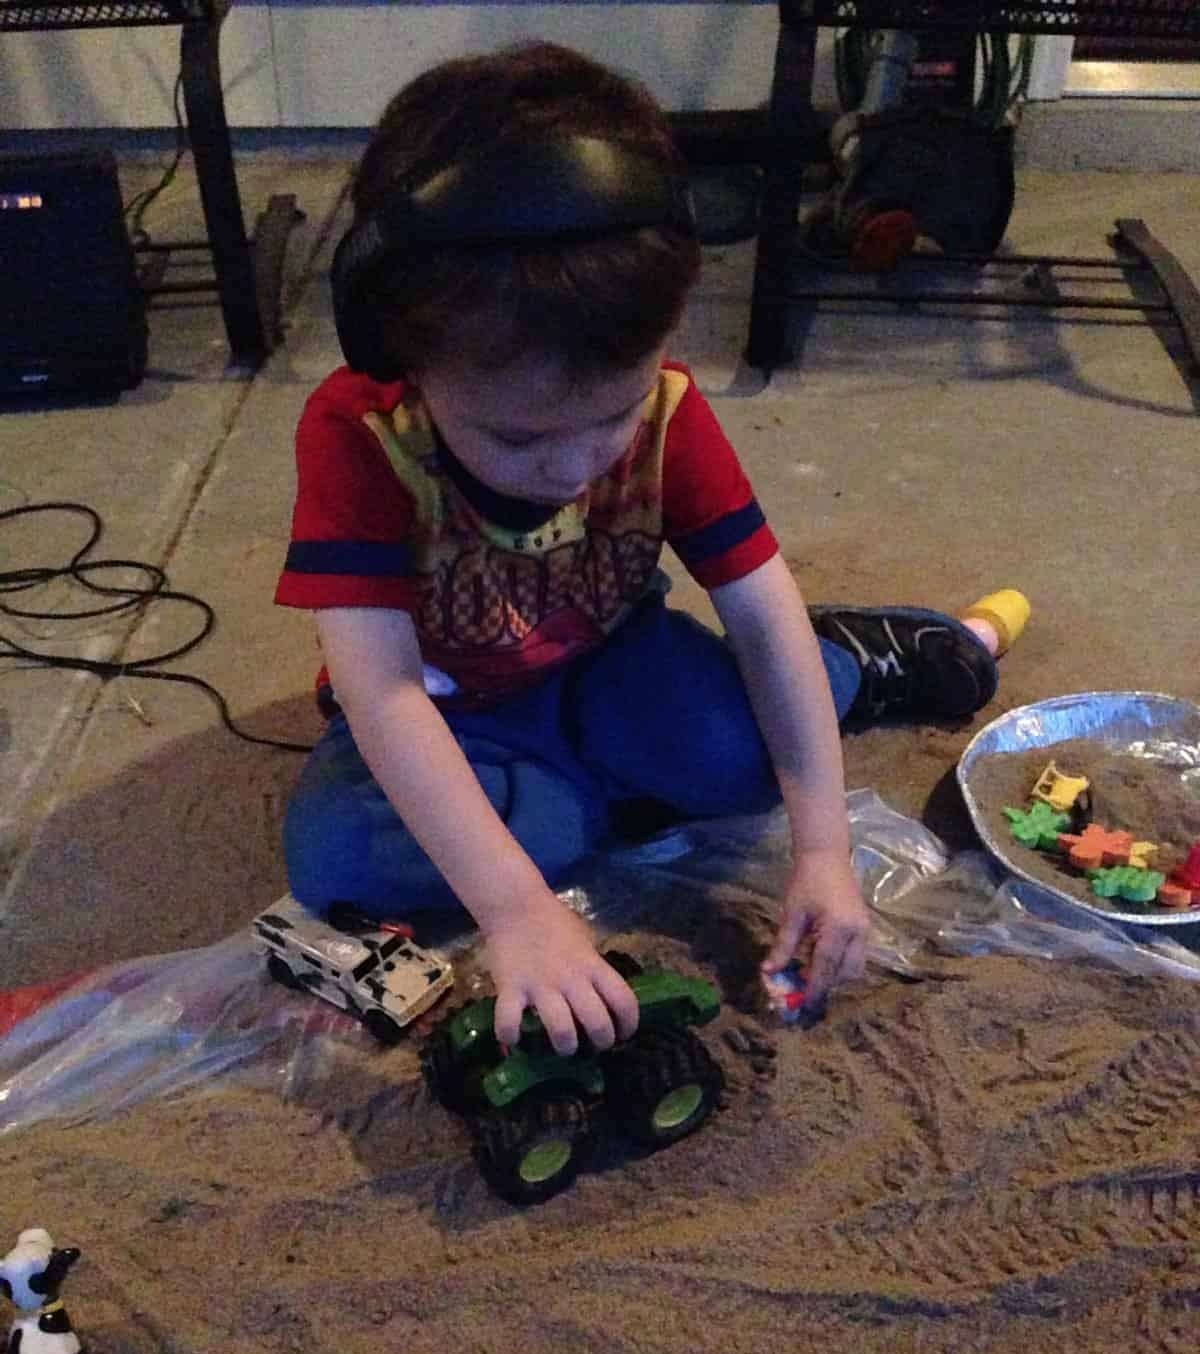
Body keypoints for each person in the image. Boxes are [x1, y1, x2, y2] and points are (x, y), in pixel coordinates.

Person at [275, 40, 1018, 1056]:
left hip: (617, 655)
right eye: (519, 437)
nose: (575, 465)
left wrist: (824, 847)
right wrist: (517, 910)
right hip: (455, 706)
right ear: (396, 350)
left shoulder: (668, 407)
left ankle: (859, 658)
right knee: (335, 858)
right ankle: (590, 796)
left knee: (760, 753)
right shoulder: (359, 432)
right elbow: (385, 694)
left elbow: (758, 605)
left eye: (613, 416)